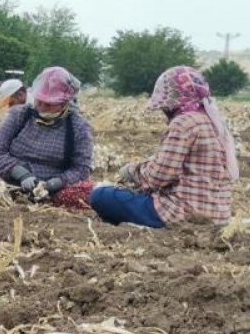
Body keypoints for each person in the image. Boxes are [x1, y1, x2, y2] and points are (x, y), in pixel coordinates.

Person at [90, 66, 239, 228]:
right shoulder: (214, 122)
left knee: (101, 195)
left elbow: (158, 177)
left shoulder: (184, 123)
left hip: (181, 213)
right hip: (219, 215)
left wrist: (132, 172)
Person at [0, 67, 95, 210]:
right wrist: (21, 173)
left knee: (91, 193)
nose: (41, 107)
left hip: (53, 190)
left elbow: (81, 168)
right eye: (39, 101)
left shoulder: (78, 127)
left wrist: (57, 182)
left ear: (64, 103)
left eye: (49, 104)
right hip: (10, 182)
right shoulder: (19, 114)